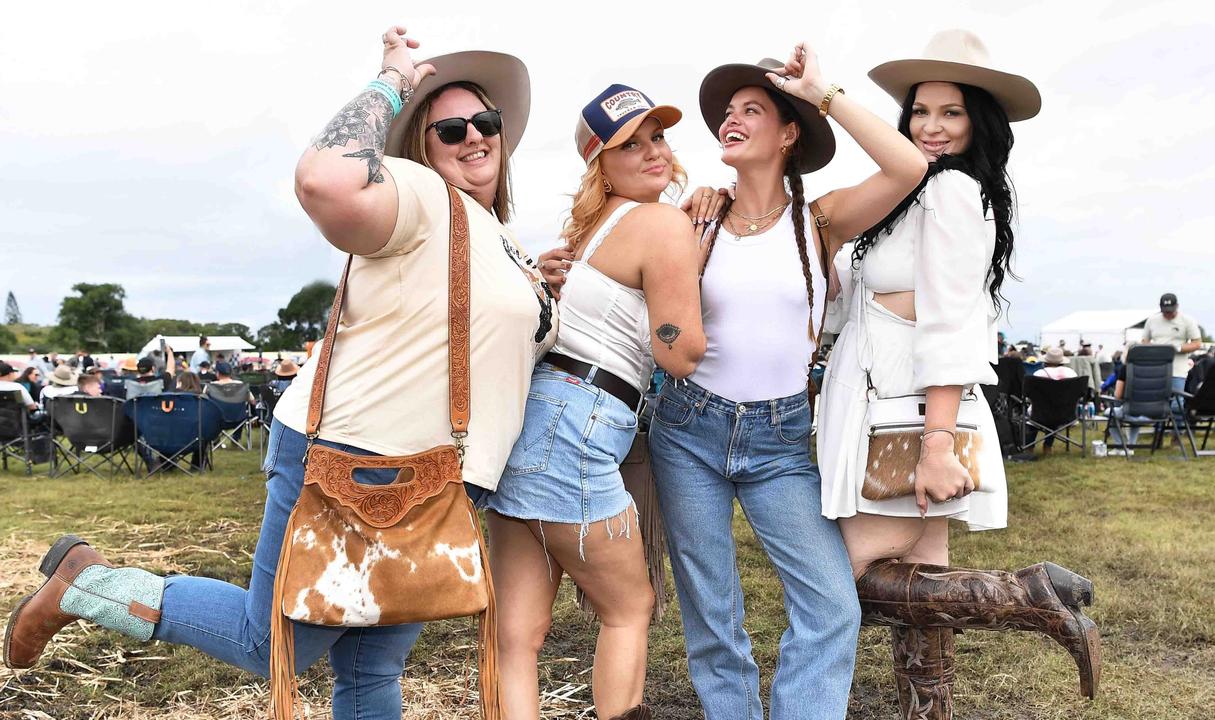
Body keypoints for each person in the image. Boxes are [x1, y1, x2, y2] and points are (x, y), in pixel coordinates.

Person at [4, 28, 555, 720]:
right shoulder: (417, 195)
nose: (474, 136)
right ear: (422, 146)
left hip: (435, 478)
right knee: (268, 645)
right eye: (451, 127)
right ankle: (88, 586)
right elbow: (325, 178)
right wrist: (392, 80)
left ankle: (89, 584)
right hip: (363, 465)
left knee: (373, 666)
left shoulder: (499, 238)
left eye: (486, 121)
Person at [817, 29, 1100, 717]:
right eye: (920, 111)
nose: (932, 126)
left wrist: (938, 444)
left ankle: (1031, 595)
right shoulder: (909, 193)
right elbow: (857, 307)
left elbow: (949, 324)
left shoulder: (950, 192)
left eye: (951, 112)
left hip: (912, 414)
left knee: (839, 580)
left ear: (979, 121)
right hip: (886, 402)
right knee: (924, 583)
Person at [647, 44, 926, 720]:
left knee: (831, 604)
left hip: (778, 440)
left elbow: (908, 166)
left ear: (790, 132)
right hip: (687, 430)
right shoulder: (696, 219)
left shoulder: (819, 220)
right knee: (711, 609)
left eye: (752, 110)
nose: (731, 121)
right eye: (727, 114)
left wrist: (822, 91)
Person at [490, 85, 703, 720]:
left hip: (529, 422)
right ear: (598, 164)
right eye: (628, 145)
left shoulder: (583, 234)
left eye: (656, 136)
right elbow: (679, 353)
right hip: (581, 423)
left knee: (517, 639)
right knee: (629, 609)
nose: (651, 152)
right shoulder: (663, 224)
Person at [1141, 292, 1201, 395]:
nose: (1168, 314)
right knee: (1155, 398)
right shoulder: (1152, 320)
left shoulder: (1187, 321)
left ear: (1177, 306)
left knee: (1176, 402)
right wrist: (1153, 350)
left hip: (1178, 370)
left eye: (1171, 311)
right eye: (1165, 311)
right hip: (1156, 369)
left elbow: (1197, 343)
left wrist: (1177, 348)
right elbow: (1144, 341)